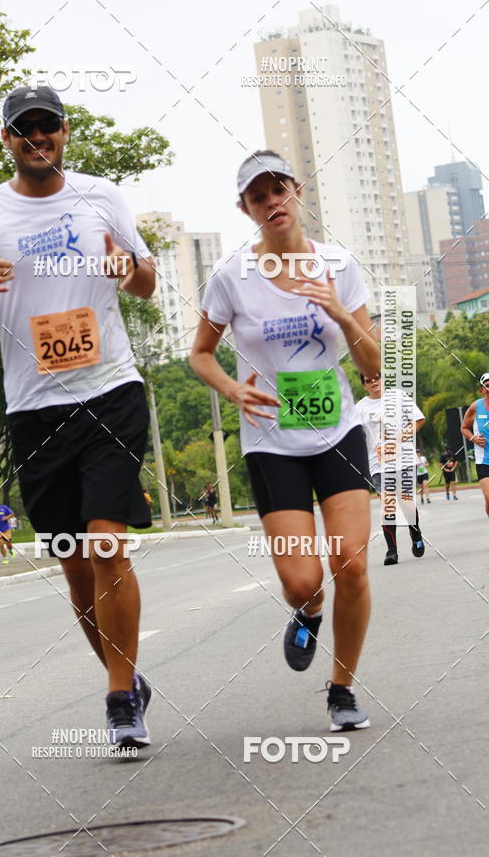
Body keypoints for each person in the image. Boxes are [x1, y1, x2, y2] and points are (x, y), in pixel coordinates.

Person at [0, 85, 156, 749]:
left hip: (109, 390)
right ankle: (125, 677)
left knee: (105, 544)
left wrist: (127, 266)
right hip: (35, 408)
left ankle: (120, 698)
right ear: (7, 139)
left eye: (47, 127)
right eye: (23, 129)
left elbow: (147, 278)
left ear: (65, 132)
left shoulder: (101, 196)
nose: (37, 138)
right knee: (71, 560)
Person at [190, 150, 380, 732]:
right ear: (245, 208)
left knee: (350, 563)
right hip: (270, 440)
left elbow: (377, 365)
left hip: (337, 431)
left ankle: (342, 689)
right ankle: (308, 609)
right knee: (302, 579)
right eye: (258, 196)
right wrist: (232, 390)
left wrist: (341, 314)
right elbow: (199, 353)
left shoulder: (339, 265)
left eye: (280, 190)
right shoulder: (231, 276)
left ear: (298, 192)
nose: (272, 202)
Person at [356, 375, 426, 565]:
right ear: (364, 385)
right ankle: (391, 551)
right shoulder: (360, 408)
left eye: (376, 378)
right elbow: (354, 435)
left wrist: (403, 435)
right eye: (369, 380)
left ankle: (415, 533)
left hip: (403, 459)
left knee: (406, 503)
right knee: (387, 505)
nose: (374, 382)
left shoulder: (398, 396)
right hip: (378, 463)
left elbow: (419, 420)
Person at [461, 373, 489, 517]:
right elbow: (464, 427)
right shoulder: (476, 406)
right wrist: (473, 438)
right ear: (482, 389)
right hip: (484, 461)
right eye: (487, 386)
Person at [0, 496, 15, 563]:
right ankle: (5, 558)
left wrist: (6, 517)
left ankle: (10, 550)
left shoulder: (4, 507)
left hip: (6, 529)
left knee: (9, 545)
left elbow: (12, 513)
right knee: (1, 543)